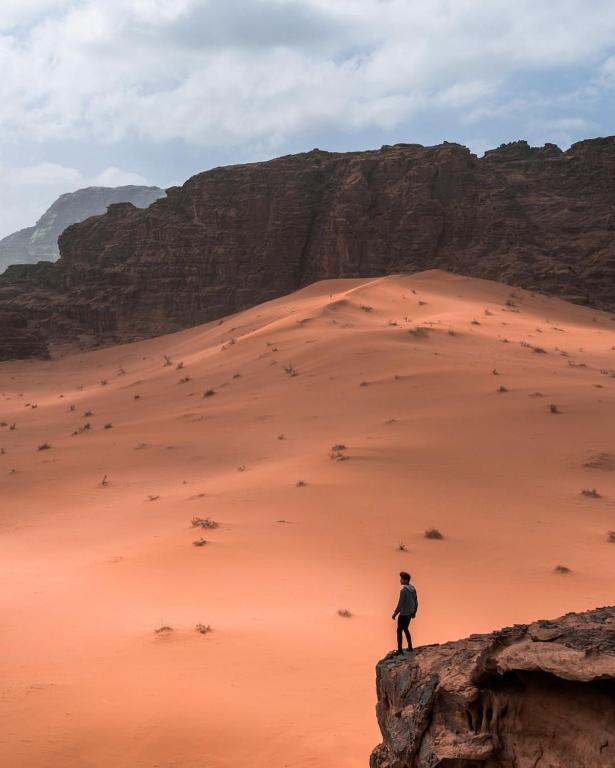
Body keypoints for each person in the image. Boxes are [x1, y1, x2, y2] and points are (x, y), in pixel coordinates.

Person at [391, 571, 417, 655]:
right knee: (405, 628)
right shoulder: (413, 589)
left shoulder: (403, 591)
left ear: (406, 580)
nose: (400, 580)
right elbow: (416, 601)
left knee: (399, 631)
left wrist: (395, 614)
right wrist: (414, 612)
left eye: (401, 579)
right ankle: (410, 647)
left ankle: (400, 650)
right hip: (409, 613)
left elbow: (400, 604)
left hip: (403, 614)